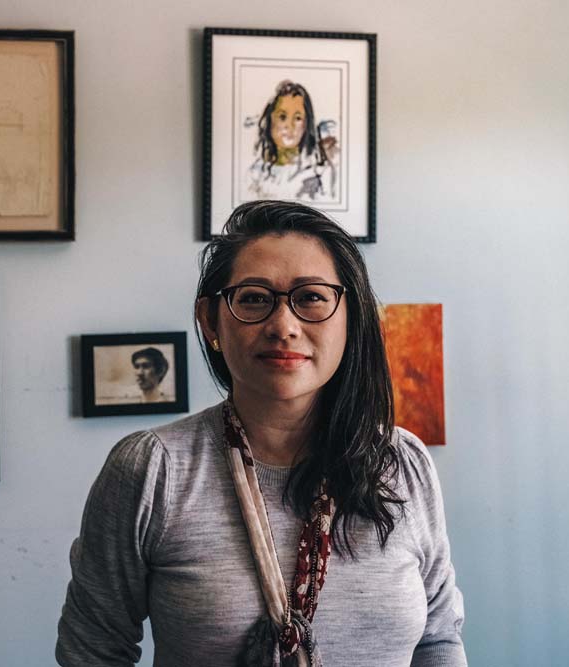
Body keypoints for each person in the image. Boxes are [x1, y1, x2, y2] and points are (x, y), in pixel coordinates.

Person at [56, 201, 465, 666]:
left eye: (311, 297)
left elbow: (438, 639)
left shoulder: (403, 463)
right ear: (211, 321)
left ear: (351, 318)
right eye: (253, 298)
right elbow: (92, 651)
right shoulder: (153, 470)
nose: (283, 326)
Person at [248, 80, 337, 202]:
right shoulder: (255, 174)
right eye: (282, 117)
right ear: (270, 120)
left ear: (306, 124)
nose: (289, 126)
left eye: (298, 118)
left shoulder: (318, 172)